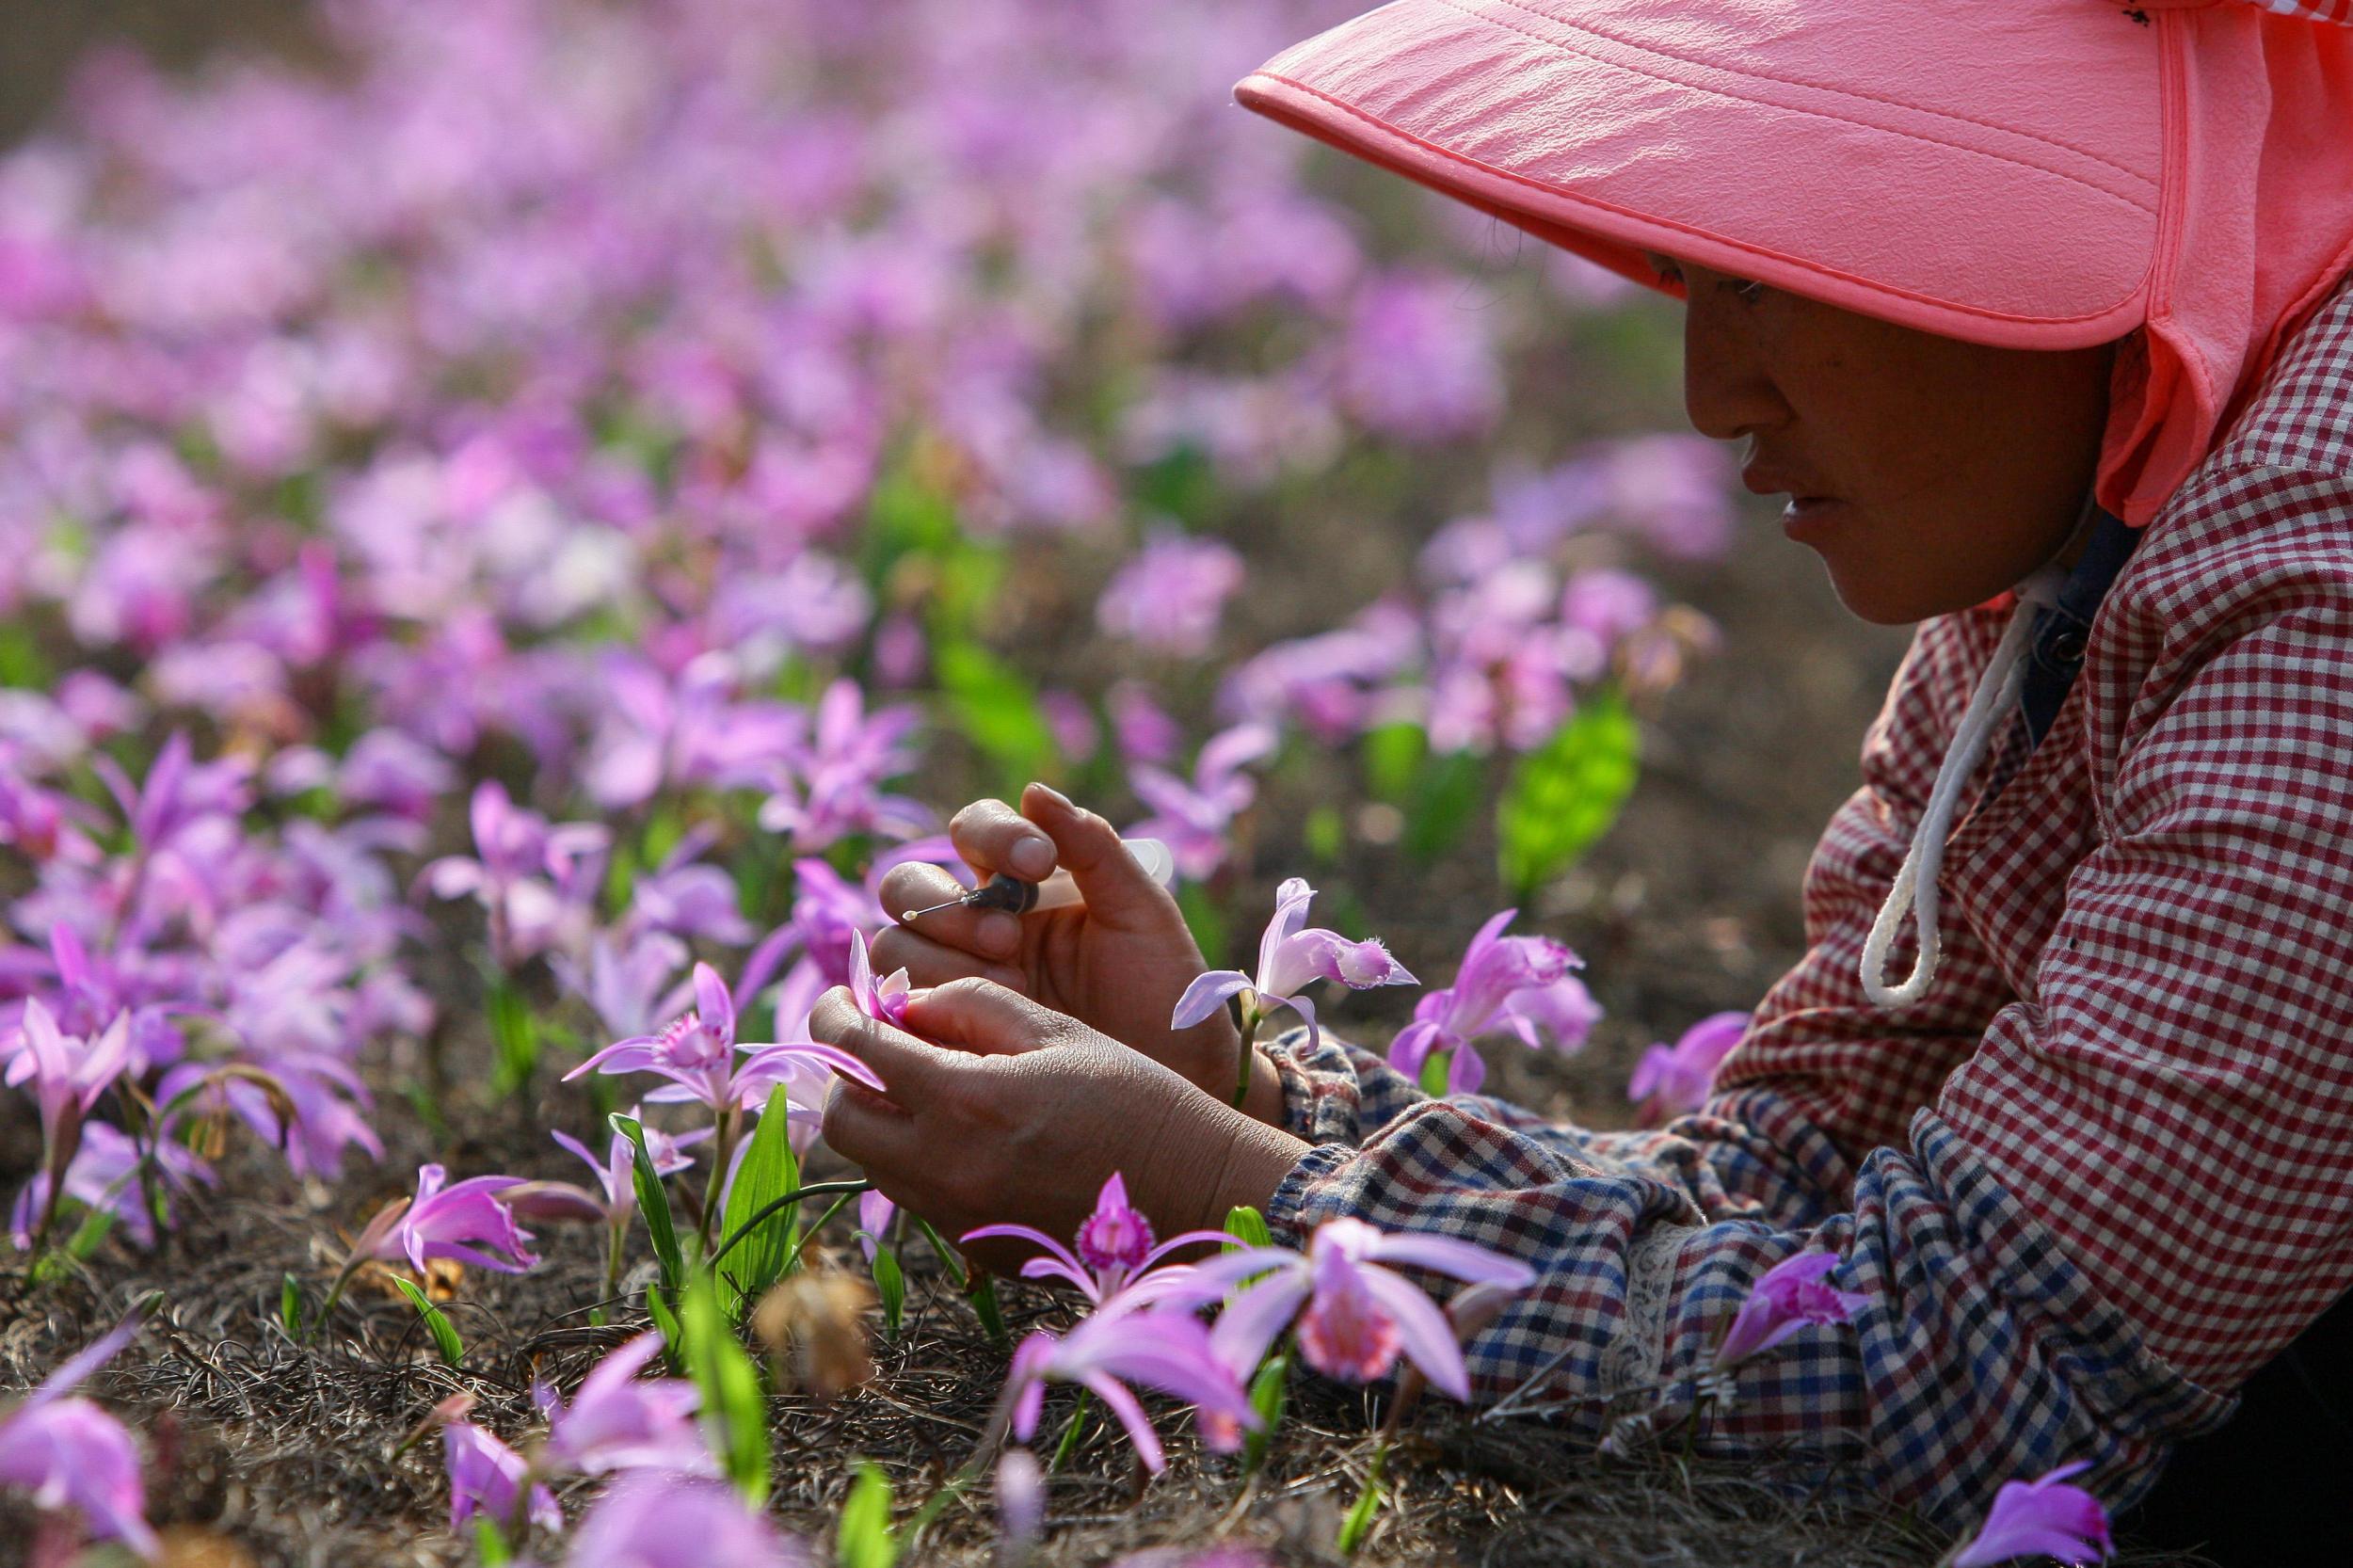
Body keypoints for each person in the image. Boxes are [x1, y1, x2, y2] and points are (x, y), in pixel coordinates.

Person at [808, 0, 2353, 1552]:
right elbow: (1786, 1190)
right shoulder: (2081, 535)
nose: (1709, 393)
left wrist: (1219, 1197)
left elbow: (1931, 1375)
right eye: (1692, 273)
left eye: (1768, 269)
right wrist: (1244, 1081)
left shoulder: (2313, 576)